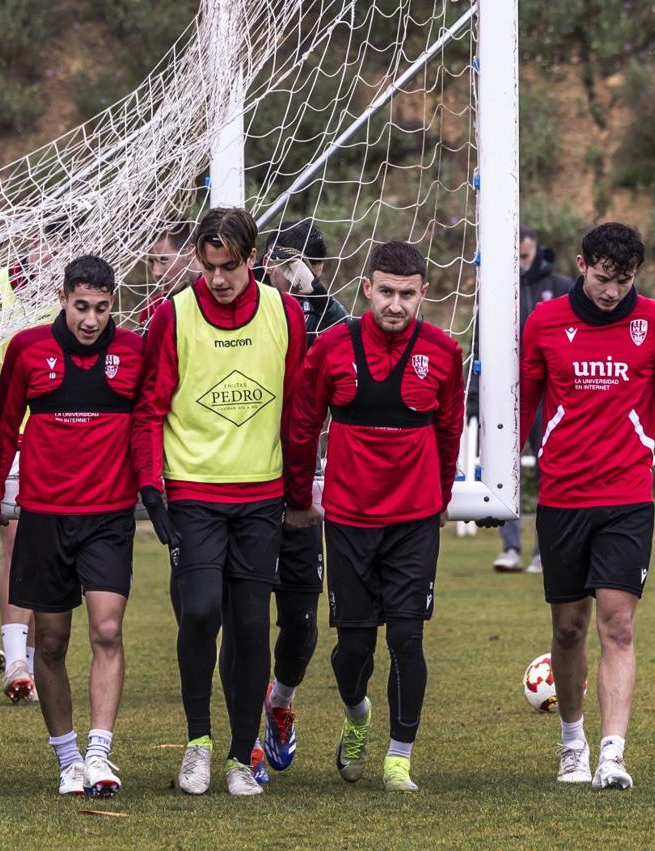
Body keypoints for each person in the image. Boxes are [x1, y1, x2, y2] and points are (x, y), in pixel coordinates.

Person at [132, 207, 307, 796]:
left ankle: (239, 757)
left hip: (262, 497)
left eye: (229, 267)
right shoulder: (172, 315)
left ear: (251, 260)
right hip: (194, 496)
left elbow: (297, 411)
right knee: (202, 609)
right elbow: (149, 409)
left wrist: (299, 489)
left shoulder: (286, 313)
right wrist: (152, 488)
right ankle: (198, 743)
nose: (218, 279)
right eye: (209, 267)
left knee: (252, 625)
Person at [286, 239, 464, 793]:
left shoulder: (442, 352)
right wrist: (297, 497)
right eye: (385, 292)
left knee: (408, 638)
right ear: (366, 289)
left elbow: (449, 432)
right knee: (355, 648)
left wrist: (436, 499)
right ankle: (358, 713)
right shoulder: (333, 347)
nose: (395, 304)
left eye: (407, 295)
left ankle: (398, 758)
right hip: (348, 521)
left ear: (423, 294)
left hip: (413, 522)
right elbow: (302, 423)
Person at [0, 254, 143, 796]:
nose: (91, 320)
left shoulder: (133, 351)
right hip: (45, 517)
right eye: (81, 307)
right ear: (63, 299)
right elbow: (4, 430)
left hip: (108, 517)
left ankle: (100, 753)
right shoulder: (28, 348)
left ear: (113, 303)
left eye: (101, 308)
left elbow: (148, 425)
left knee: (107, 629)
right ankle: (68, 758)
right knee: (49, 642)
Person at [520, 222, 655, 790]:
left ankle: (612, 754)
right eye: (603, 279)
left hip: (627, 497)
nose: (612, 292)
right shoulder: (545, 322)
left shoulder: (652, 321)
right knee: (570, 628)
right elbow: (523, 404)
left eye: (623, 281)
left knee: (618, 628)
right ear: (580, 265)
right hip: (563, 496)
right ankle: (572, 742)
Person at [247, 218, 350, 777]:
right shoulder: (254, 307)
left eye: (300, 266)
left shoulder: (328, 320)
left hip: (302, 496)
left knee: (302, 622)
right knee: (245, 618)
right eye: (282, 265)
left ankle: (280, 703)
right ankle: (250, 742)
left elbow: (342, 338)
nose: (289, 276)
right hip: (245, 486)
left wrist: (315, 294)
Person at [486, 226, 573, 573]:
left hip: (550, 399)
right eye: (515, 257)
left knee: (548, 470)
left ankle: (543, 550)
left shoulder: (562, 288)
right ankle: (510, 549)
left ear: (535, 250)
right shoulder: (496, 290)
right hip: (507, 396)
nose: (520, 263)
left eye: (524, 255)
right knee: (502, 469)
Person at [137, 222, 200, 330]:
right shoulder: (152, 308)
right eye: (151, 261)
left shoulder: (220, 294)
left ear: (189, 253)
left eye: (163, 260)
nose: (157, 272)